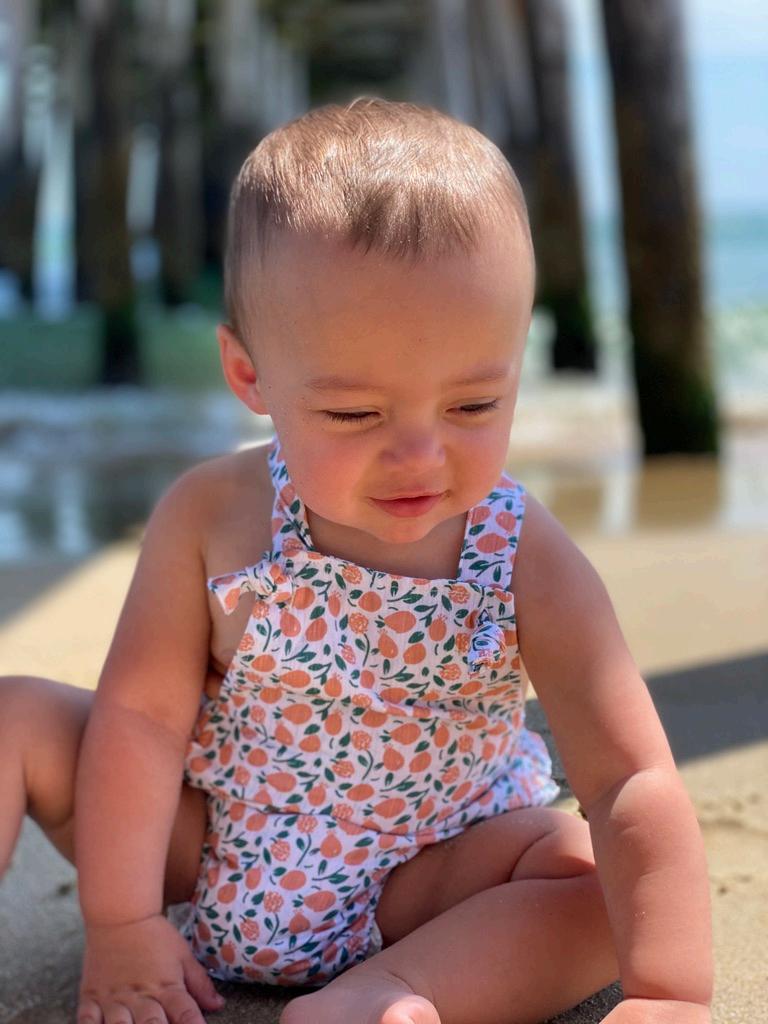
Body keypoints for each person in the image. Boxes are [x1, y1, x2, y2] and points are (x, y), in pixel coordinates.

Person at [0, 98, 712, 1024]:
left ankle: (392, 991)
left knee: (595, 880)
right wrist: (122, 920)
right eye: (354, 414)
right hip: (207, 846)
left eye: (472, 406)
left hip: (430, 880)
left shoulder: (522, 555)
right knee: (17, 717)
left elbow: (628, 780)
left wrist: (670, 991)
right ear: (250, 376)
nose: (420, 455)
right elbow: (140, 721)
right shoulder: (212, 515)